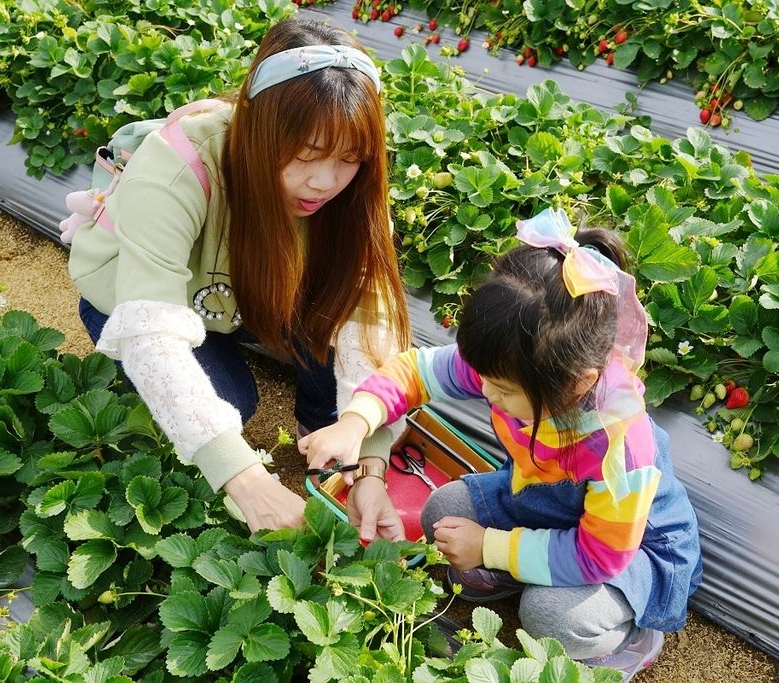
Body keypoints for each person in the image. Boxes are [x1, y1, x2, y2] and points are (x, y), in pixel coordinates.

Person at [301, 207, 703, 679]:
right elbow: (411, 373)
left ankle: (629, 636)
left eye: (504, 391)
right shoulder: (513, 361)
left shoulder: (621, 447)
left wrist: (489, 547)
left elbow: (598, 556)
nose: (486, 392)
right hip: (546, 504)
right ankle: (516, 568)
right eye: (485, 378)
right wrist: (354, 423)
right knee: (440, 513)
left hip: (631, 550)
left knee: (550, 618)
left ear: (577, 384)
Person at [66, 17, 410, 533]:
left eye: (349, 158)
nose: (324, 181)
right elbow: (152, 337)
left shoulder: (354, 197)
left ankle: (324, 435)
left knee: (334, 302)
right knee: (229, 405)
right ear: (256, 123)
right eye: (307, 154)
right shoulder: (178, 166)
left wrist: (368, 456)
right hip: (150, 297)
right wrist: (246, 480)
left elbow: (371, 326)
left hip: (242, 290)